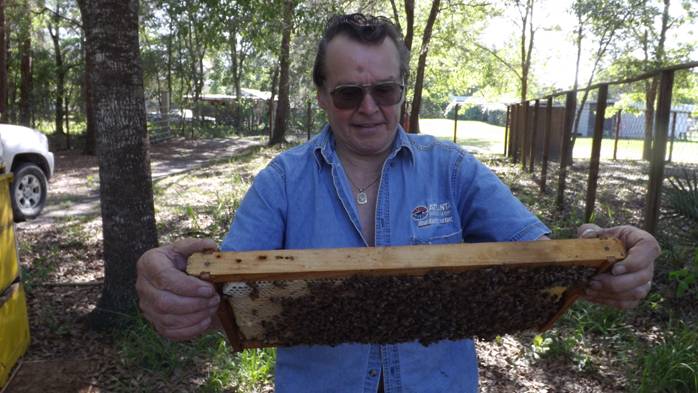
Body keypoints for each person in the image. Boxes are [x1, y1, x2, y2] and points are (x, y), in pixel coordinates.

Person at [136, 13, 659, 392]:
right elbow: (226, 297)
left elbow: (541, 254)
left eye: (384, 91)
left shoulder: (452, 168)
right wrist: (180, 294)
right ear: (321, 95)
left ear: (402, 91)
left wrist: (597, 257)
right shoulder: (281, 181)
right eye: (348, 94)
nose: (369, 108)